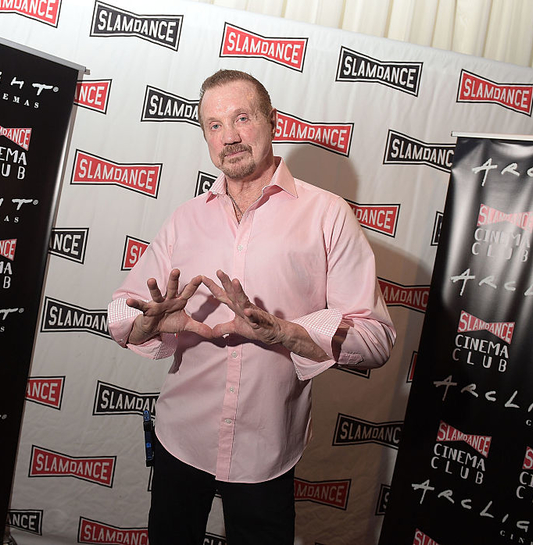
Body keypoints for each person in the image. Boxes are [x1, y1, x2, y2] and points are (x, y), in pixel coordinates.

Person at [107, 69, 395, 545]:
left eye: (242, 118)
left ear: (272, 121)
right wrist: (147, 324)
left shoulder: (327, 215)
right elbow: (120, 317)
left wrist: (288, 333)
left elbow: (377, 339)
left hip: (268, 449)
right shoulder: (185, 219)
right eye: (215, 125)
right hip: (182, 436)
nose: (230, 136)